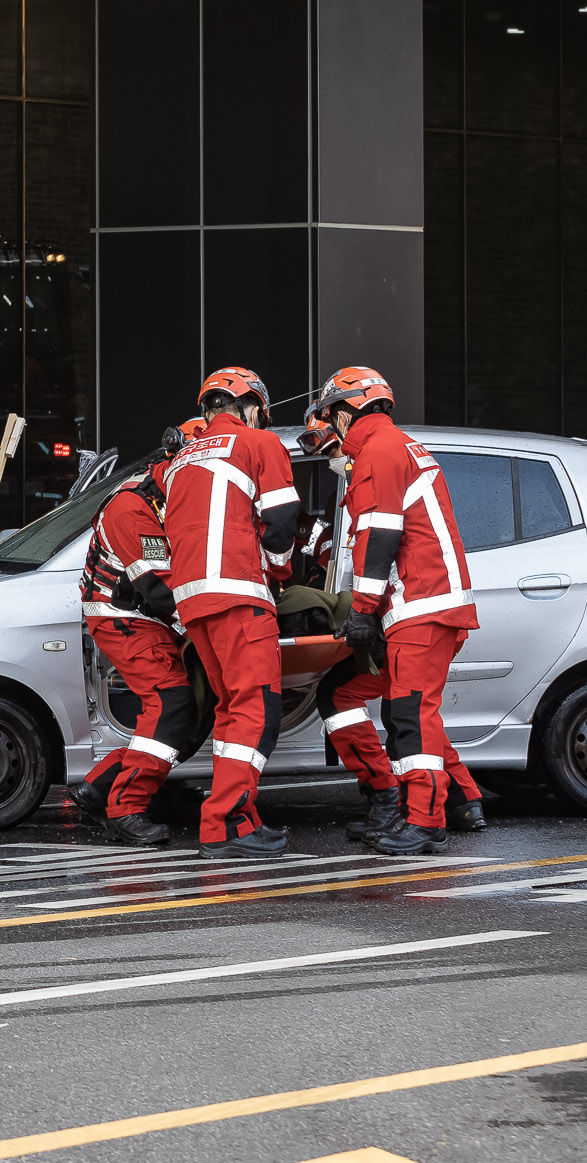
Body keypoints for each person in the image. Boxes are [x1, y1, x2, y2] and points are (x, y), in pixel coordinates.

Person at [312, 366, 480, 854]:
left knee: (410, 711)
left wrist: (362, 609)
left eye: (330, 417)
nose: (330, 430)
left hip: (421, 602)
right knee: (405, 706)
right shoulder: (391, 445)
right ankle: (447, 802)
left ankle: (423, 820)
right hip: (425, 601)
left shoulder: (380, 452)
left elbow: (380, 534)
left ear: (348, 410)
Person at [161, 366, 300, 858]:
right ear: (251, 405)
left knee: (231, 711)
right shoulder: (259, 445)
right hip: (239, 592)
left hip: (193, 602)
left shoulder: (179, 462)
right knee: (258, 710)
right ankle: (226, 823)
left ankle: (235, 814)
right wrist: (279, 572)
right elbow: (282, 521)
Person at [68, 426, 195, 845]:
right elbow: (159, 586)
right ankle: (127, 805)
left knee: (186, 712)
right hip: (125, 618)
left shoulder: (169, 495)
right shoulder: (133, 510)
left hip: (141, 616)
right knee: (171, 704)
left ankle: (101, 786)